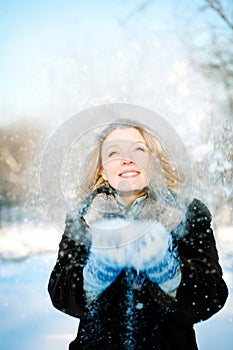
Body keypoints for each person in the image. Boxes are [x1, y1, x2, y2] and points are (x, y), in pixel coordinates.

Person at [48, 119, 228, 350]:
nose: (127, 158)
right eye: (114, 152)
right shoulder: (82, 218)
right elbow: (60, 293)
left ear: (153, 161)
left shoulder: (189, 213)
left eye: (138, 149)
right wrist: (95, 275)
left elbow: (211, 297)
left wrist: (166, 271)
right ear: (102, 169)